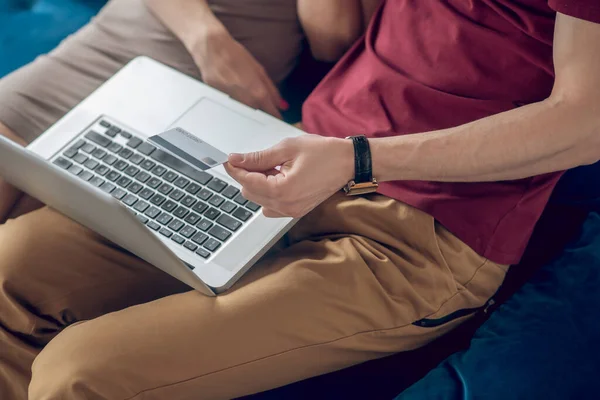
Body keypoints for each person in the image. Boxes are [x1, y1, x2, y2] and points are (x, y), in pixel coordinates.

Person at [1, 0, 599, 399]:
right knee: (9, 268)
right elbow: (334, 32)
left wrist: (359, 159)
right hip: (288, 159)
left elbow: (586, 123)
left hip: (420, 234)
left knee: (79, 372)